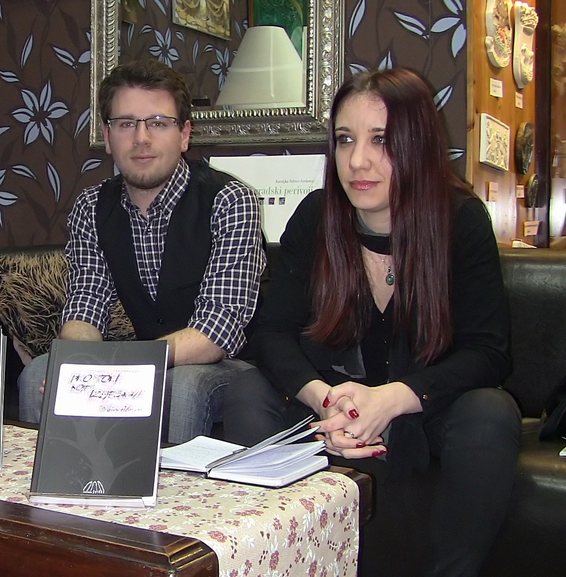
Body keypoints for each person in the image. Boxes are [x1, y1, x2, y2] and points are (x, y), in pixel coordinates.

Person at [223, 68, 521, 577]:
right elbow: (272, 332)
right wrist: (326, 399)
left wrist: (391, 399)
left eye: (380, 140)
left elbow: (488, 352)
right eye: (345, 139)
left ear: (417, 144)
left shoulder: (461, 220)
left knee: (490, 412)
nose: (357, 160)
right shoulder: (317, 216)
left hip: (420, 405)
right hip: (331, 407)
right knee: (246, 391)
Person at [18, 59, 266, 444]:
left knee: (183, 386)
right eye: (126, 124)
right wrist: (78, 365)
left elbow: (217, 330)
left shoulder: (230, 200)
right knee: (39, 372)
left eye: (158, 123)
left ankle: (175, 487)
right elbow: (86, 304)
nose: (141, 138)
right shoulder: (91, 207)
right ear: (108, 135)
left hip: (233, 368)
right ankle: (63, 477)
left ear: (184, 134)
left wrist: (127, 368)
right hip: (149, 359)